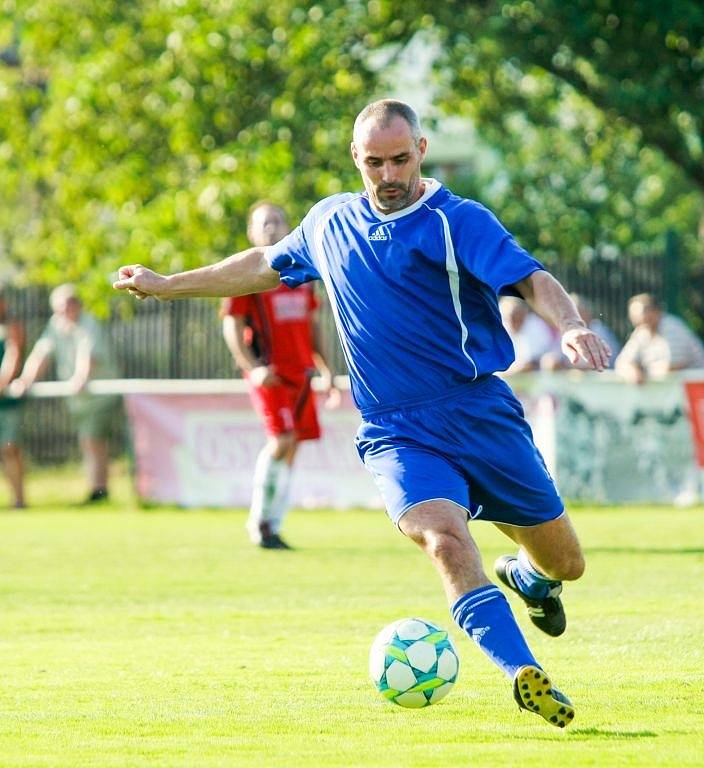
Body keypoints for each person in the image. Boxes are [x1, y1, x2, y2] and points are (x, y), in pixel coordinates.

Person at [114, 99, 612, 728]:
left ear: (422, 152)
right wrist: (167, 283)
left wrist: (568, 326)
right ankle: (521, 671)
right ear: (356, 159)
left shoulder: (458, 221)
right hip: (397, 429)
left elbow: (531, 279)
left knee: (565, 562)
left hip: (479, 413)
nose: (388, 175)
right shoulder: (328, 223)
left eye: (400, 159)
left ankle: (532, 579)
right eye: (374, 162)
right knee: (443, 538)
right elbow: (260, 267)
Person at [221, 201, 337, 549]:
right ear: (251, 232)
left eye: (278, 221)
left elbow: (312, 324)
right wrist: (254, 368)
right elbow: (232, 324)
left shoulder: (300, 273)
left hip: (301, 373)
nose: (272, 228)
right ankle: (258, 522)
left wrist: (326, 368)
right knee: (282, 440)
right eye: (264, 223)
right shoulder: (249, 274)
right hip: (270, 374)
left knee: (292, 447)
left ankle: (273, 523)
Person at [11, 284, 121, 503]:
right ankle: (98, 489)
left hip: (99, 396)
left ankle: (99, 491)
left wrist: (80, 378)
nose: (66, 310)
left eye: (69, 304)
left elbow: (87, 355)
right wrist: (25, 380)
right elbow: (41, 354)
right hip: (80, 400)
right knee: (89, 441)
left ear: (77, 304)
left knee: (92, 440)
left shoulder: (89, 323)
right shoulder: (56, 325)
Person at [615, 293, 704, 383]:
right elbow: (622, 363)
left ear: (656, 312)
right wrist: (632, 372)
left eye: (642, 314)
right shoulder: (642, 332)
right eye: (634, 315)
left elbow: (673, 367)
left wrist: (643, 372)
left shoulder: (672, 327)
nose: (637, 319)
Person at [0, 289, 26, 508]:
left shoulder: (11, 326)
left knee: (10, 448)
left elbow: (13, 354)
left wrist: (1, 383)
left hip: (6, 402)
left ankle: (18, 500)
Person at [499, 296, 560, 372]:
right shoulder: (498, 329)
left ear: (523, 313)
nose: (512, 321)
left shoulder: (535, 325)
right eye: (507, 317)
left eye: (515, 316)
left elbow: (533, 362)